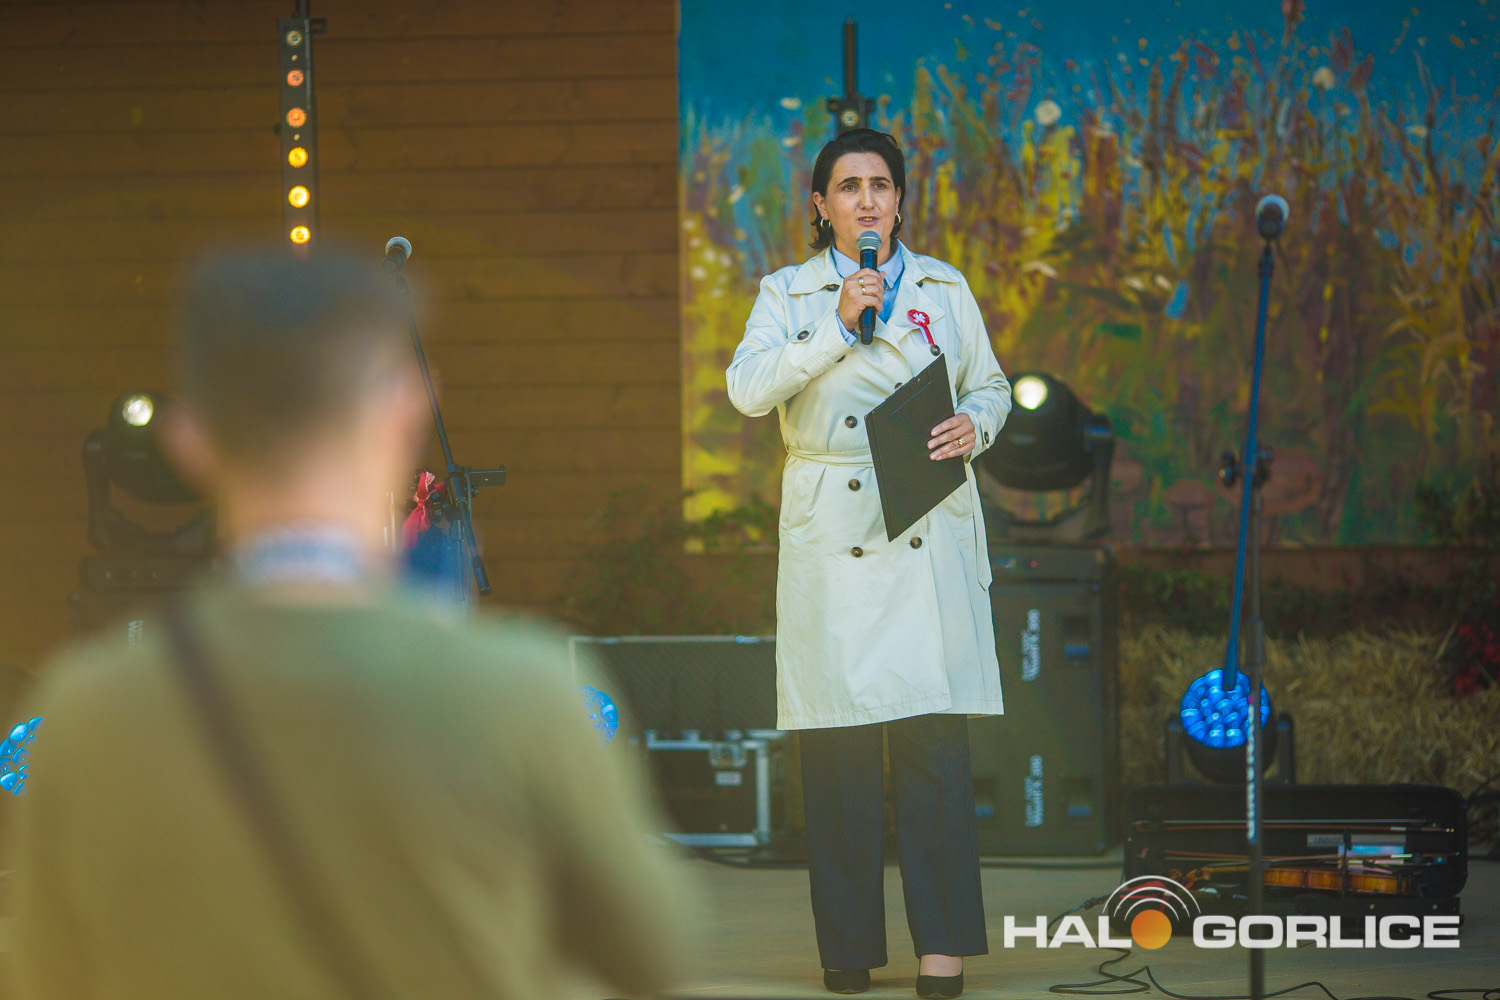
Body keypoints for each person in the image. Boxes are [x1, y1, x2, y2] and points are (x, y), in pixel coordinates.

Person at [7, 250, 694, 1000]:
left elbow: (44, 977)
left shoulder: (86, 713)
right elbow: (655, 954)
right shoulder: (526, 690)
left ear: (188, 440)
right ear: (406, 412)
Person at [725, 129, 1012, 1000]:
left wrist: (975, 426)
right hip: (834, 524)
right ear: (821, 207)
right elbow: (748, 389)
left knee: (932, 742)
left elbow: (992, 386)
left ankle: (942, 949)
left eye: (880, 184)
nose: (867, 200)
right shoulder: (788, 292)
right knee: (839, 746)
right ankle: (847, 948)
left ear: (899, 200)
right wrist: (836, 325)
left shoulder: (943, 288)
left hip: (924, 516)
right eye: (848, 186)